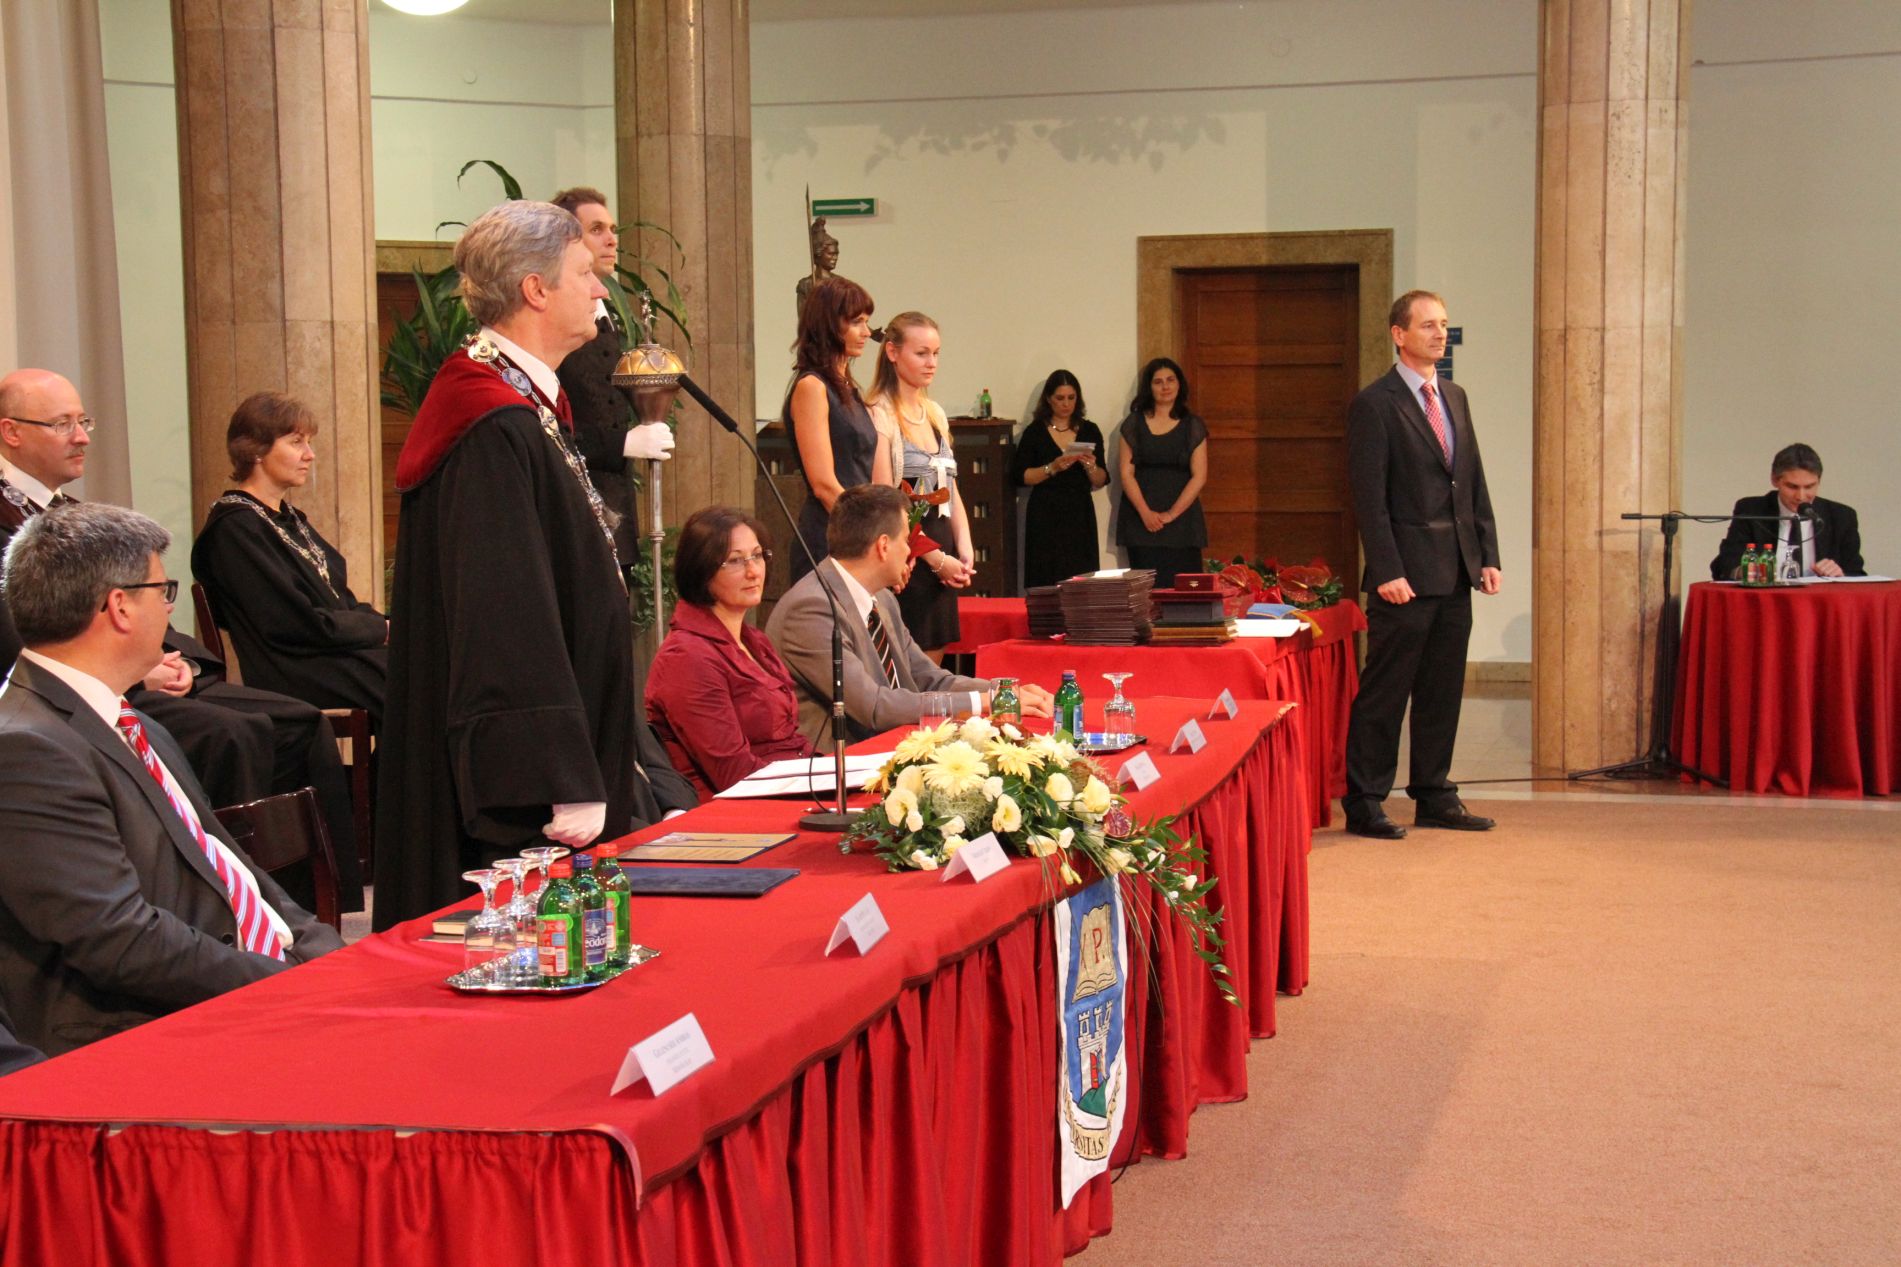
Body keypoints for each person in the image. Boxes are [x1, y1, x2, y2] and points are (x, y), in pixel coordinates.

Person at [377, 200, 696, 931]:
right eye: (584, 272)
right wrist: (557, 771)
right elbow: (506, 611)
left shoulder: (522, 400)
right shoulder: (489, 419)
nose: (600, 289)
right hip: (527, 784)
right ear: (535, 290)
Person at [1, 369, 364, 910]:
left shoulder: (68, 511)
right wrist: (137, 671)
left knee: (299, 724)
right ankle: (225, 901)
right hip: (75, 690)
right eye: (62, 424)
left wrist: (177, 659)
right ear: (11, 431)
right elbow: (23, 629)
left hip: (136, 671)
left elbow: (138, 597)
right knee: (231, 734)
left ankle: (307, 904)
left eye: (84, 422)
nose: (82, 437)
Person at [0, 502, 342, 1060]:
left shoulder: (136, 724)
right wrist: (288, 984)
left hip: (240, 986)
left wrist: (322, 951)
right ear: (119, 607)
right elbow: (119, 940)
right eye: (163, 591)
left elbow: (227, 867)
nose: (168, 608)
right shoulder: (26, 747)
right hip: (144, 1035)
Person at [1342, 290, 1500, 839]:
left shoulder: (1454, 395)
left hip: (1455, 570)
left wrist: (1487, 554)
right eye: (1428, 325)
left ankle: (1434, 793)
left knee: (1442, 691)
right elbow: (1369, 499)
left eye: (1444, 325)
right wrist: (1387, 569)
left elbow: (1471, 481)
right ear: (1399, 334)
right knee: (1386, 693)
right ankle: (1365, 801)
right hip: (1403, 577)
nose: (1440, 334)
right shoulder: (1375, 403)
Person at [766, 483, 1052, 741]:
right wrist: (986, 702)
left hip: (886, 745)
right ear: (883, 546)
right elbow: (874, 707)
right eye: (907, 540)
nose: (910, 552)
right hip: (833, 764)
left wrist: (1001, 691)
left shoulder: (883, 599)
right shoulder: (811, 608)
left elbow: (929, 678)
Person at [191, 391, 387, 724]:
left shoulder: (290, 519)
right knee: (415, 680)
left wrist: (386, 625)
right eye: (296, 442)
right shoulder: (235, 528)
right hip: (293, 667)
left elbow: (342, 601)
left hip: (331, 654)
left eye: (309, 442)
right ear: (255, 449)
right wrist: (378, 629)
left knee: (427, 665)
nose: (309, 455)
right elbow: (293, 623)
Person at [549, 185, 676, 568]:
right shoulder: (556, 326)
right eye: (597, 229)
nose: (611, 239)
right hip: (574, 513)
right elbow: (550, 427)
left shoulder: (611, 316)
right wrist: (624, 442)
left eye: (613, 229)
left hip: (617, 506)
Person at [646, 506, 814, 797]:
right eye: (735, 561)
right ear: (702, 570)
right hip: (736, 807)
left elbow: (790, 741)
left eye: (757, 556)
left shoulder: (754, 640)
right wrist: (814, 785)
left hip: (789, 786)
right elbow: (733, 772)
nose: (753, 571)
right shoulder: (686, 657)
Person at [866, 311, 974, 654]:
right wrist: (936, 559)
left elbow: (950, 488)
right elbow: (886, 499)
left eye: (936, 353)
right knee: (907, 662)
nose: (931, 363)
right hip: (909, 556)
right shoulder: (880, 411)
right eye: (922, 353)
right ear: (893, 352)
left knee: (935, 663)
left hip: (942, 552)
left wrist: (964, 545)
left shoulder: (935, 413)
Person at [783, 275, 888, 581]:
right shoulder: (812, 387)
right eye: (856, 322)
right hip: (831, 537)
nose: (866, 332)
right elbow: (824, 485)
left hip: (856, 535)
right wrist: (869, 537)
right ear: (828, 324)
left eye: (866, 322)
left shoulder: (848, 388)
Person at [1114, 357, 1209, 587]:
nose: (1165, 386)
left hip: (1183, 522)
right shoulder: (1133, 423)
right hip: (1141, 520)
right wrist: (1146, 513)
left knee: (1185, 591)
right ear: (1149, 387)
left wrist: (1172, 514)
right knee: (1147, 593)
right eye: (1158, 382)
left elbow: (1199, 476)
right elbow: (1126, 473)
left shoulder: (1193, 425)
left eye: (1170, 380)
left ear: (1179, 384)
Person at [1710, 443, 1864, 581]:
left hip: (1819, 601)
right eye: (1792, 487)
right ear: (1775, 480)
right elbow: (1723, 565)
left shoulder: (1841, 516)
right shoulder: (1751, 510)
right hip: (1766, 599)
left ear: (1819, 481)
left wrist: (1840, 574)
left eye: (1809, 487)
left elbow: (1857, 573)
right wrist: (1743, 572)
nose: (1801, 496)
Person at [1011, 369, 1108, 587]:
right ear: (1048, 399)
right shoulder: (1035, 432)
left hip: (1079, 512)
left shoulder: (1090, 430)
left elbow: (1101, 479)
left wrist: (1091, 466)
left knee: (1081, 578)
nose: (1066, 404)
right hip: (1045, 512)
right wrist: (1052, 467)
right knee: (1045, 576)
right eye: (1060, 398)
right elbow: (1021, 476)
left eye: (1071, 398)